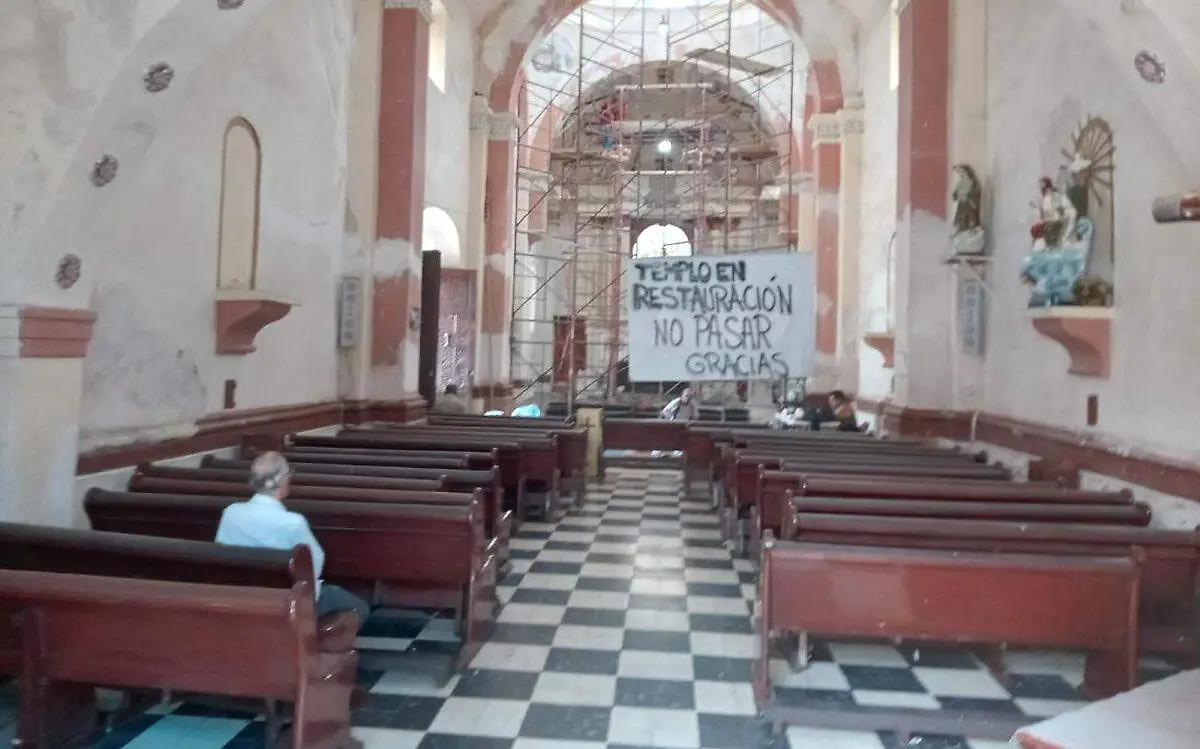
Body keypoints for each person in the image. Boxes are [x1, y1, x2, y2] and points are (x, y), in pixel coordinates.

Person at [215, 451, 371, 628]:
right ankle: (316, 648)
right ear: (283, 480)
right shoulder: (292, 522)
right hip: (290, 601)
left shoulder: (231, 513)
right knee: (359, 607)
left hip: (245, 595)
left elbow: (221, 549)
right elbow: (314, 565)